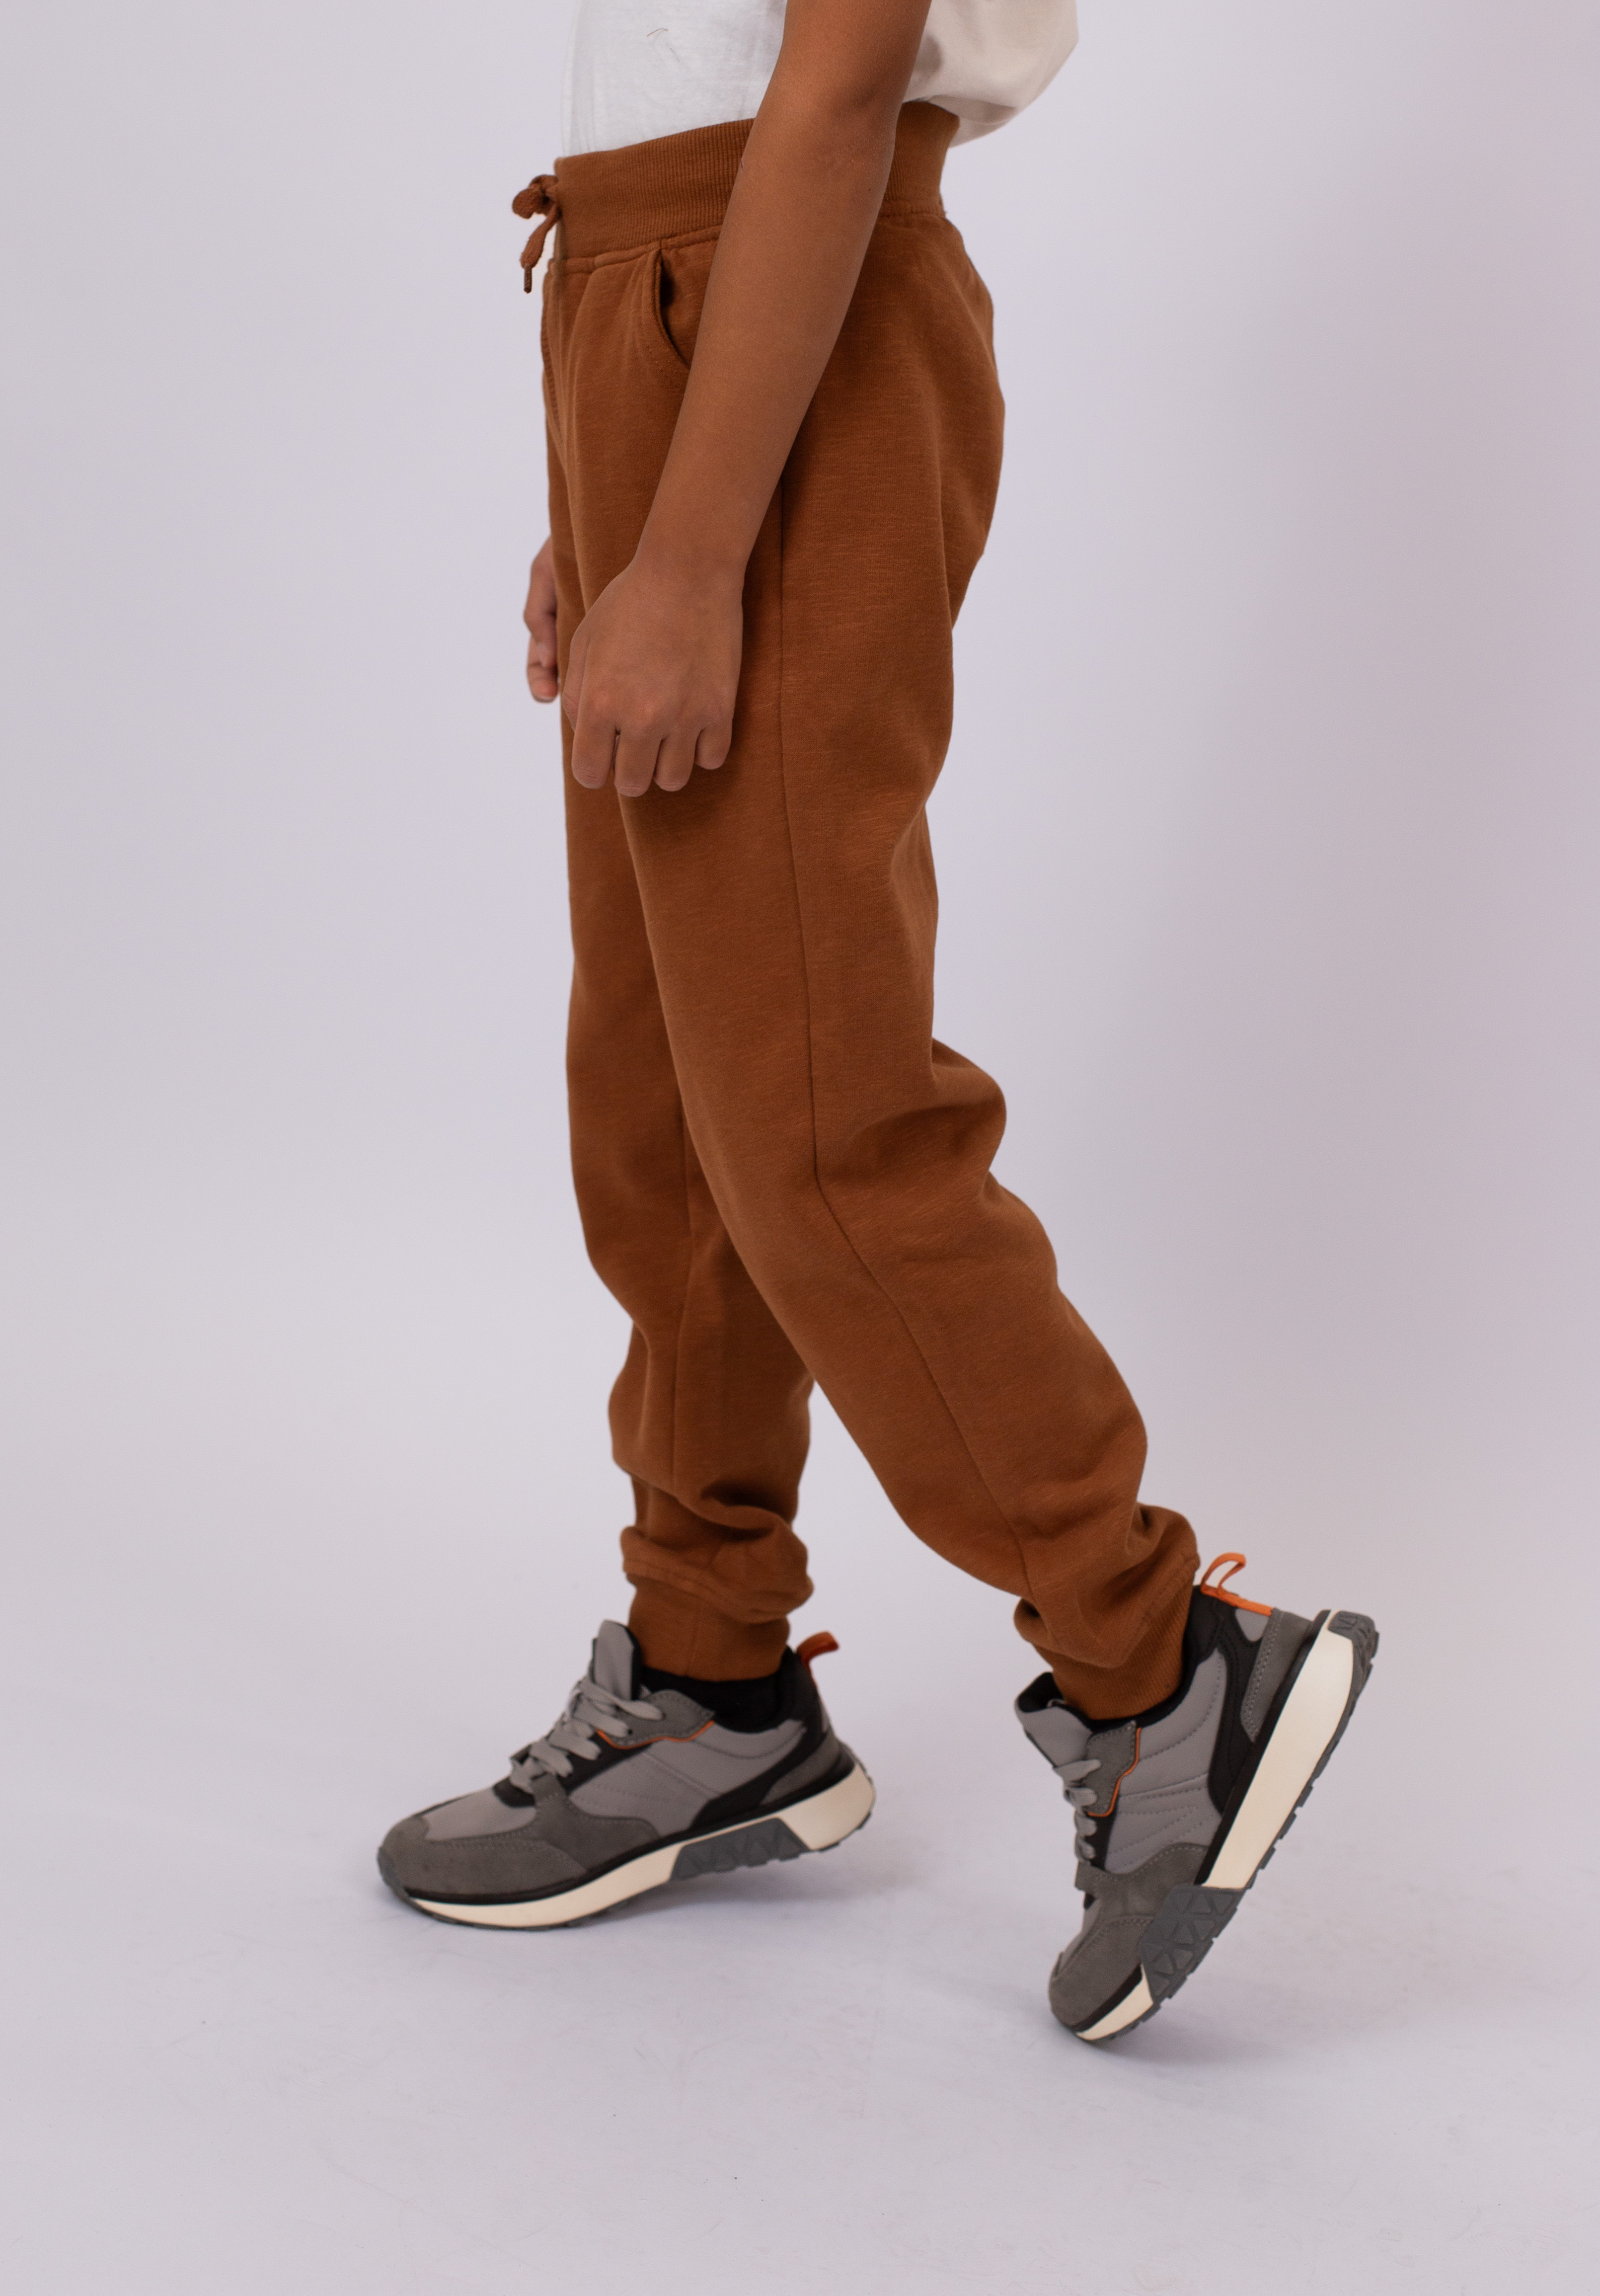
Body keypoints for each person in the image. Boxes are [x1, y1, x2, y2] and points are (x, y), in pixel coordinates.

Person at [377, 0, 1376, 2042]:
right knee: (664, 1105)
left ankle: (1159, 1660)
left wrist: (692, 548)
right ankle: (710, 1679)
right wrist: (613, 504)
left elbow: (834, 87)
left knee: (814, 1108)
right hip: (664, 302)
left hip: (785, 304)